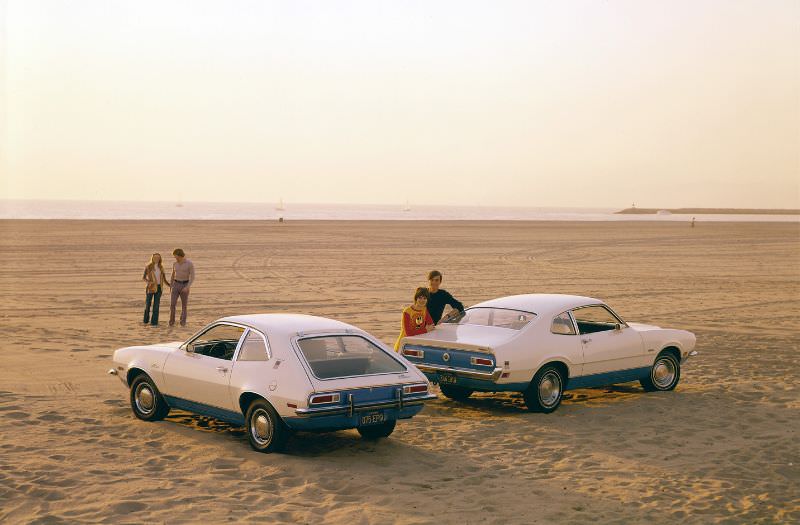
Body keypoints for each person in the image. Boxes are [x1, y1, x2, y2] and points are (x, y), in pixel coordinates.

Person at [169, 248, 195, 326]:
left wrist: (187, 287)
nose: (175, 258)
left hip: (185, 284)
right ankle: (171, 322)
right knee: (172, 304)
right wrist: (171, 285)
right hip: (176, 284)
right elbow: (173, 275)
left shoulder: (189, 263)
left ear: (180, 255)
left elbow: (192, 276)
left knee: (184, 305)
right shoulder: (175, 264)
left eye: (175, 256)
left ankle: (182, 322)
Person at [142, 253, 170, 326]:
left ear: (160, 259)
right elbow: (143, 278)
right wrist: (149, 282)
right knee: (148, 304)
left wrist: (170, 285)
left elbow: (164, 279)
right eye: (155, 257)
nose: (156, 259)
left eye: (158, 258)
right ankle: (145, 320)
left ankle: (154, 322)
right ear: (152, 258)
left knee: (156, 305)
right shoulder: (148, 267)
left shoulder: (161, 267)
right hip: (150, 288)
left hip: (159, 288)